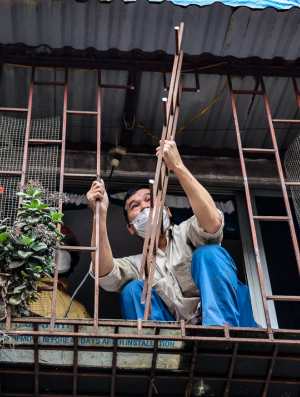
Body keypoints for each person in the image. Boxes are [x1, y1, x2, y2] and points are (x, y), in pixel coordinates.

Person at [87, 140, 259, 327]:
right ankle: (158, 349)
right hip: (181, 341)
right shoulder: (136, 265)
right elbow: (104, 273)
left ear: (167, 212)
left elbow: (213, 223)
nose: (144, 206)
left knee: (209, 253)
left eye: (149, 200)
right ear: (131, 228)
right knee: (132, 289)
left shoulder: (187, 232)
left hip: (233, 326)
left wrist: (177, 165)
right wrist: (99, 214)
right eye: (135, 206)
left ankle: (220, 332)